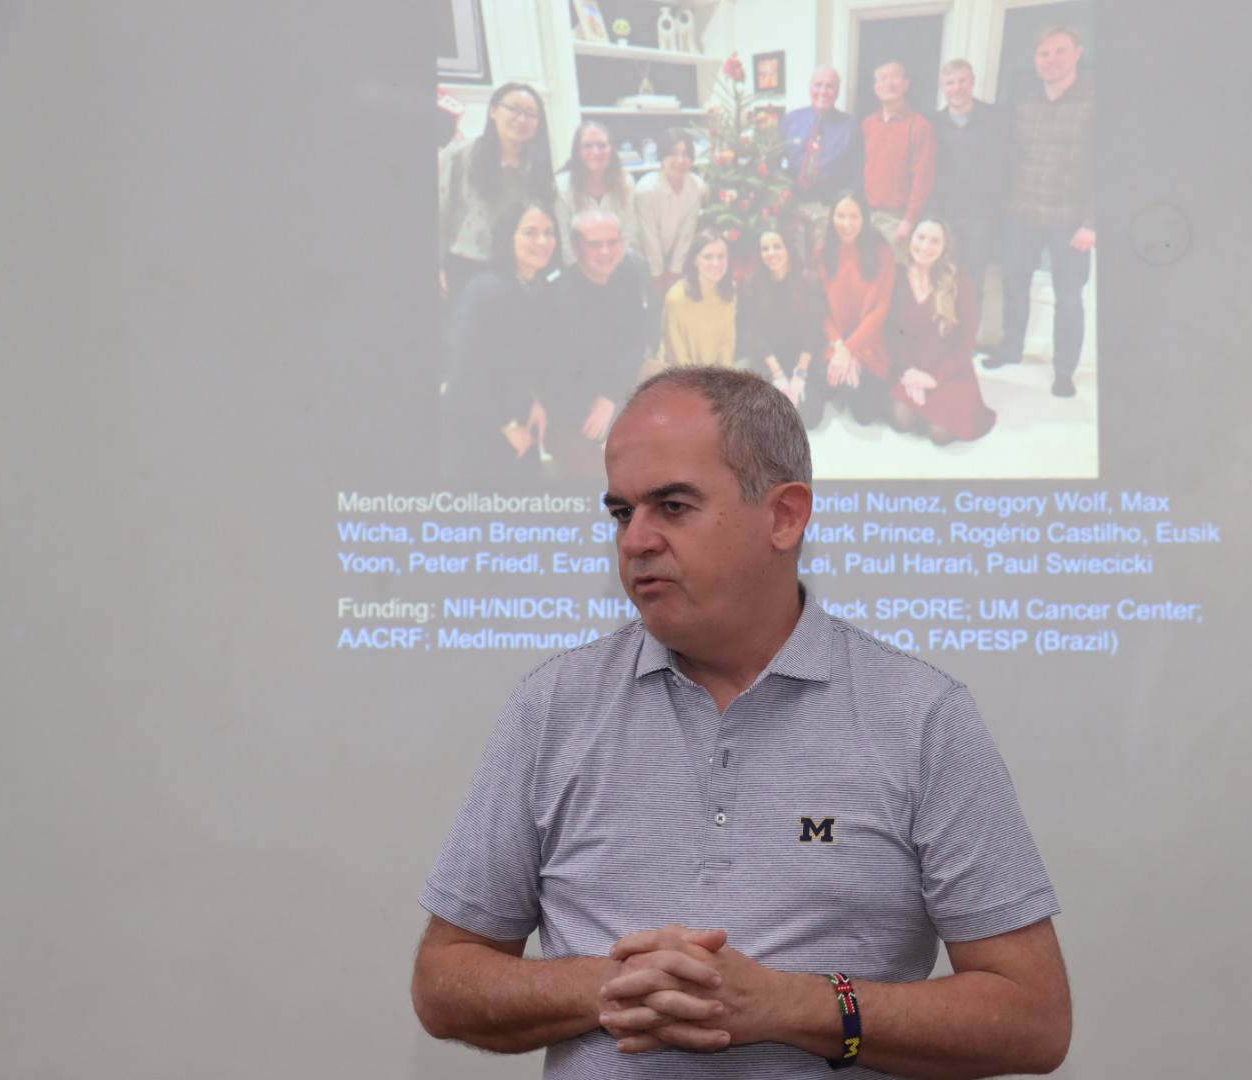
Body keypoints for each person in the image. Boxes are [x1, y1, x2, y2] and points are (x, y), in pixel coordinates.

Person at [412, 366, 1072, 1078]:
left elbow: (1033, 1017)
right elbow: (444, 979)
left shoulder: (920, 716)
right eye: (621, 513)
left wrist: (792, 1007)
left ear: (784, 516)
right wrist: (612, 986)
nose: (635, 541)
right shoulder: (553, 707)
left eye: (672, 506)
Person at [986, 26, 1095, 398]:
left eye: (1059, 51)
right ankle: (1010, 349)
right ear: (1035, 60)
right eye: (1044, 54)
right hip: (1022, 213)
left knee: (1069, 299)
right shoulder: (1026, 102)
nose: (1051, 60)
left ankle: (1064, 372)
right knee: (1013, 285)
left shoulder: (1096, 100)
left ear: (1077, 52)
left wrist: (1093, 223)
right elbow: (1010, 157)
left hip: (1070, 220)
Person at [439, 198, 558, 482]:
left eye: (549, 232)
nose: (542, 241)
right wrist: (506, 425)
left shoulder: (537, 288)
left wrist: (533, 401)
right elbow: (464, 369)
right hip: (477, 426)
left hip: (516, 419)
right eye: (530, 232)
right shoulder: (485, 290)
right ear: (508, 237)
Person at [549, 208, 656, 474]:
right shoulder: (558, 295)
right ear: (576, 247)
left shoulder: (630, 274)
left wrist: (610, 396)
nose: (605, 252)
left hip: (615, 389)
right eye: (594, 244)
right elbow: (559, 375)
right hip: (575, 404)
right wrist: (600, 425)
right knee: (595, 473)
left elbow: (635, 341)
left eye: (612, 242)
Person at [438, 82, 555, 300]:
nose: (522, 119)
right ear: (493, 111)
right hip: (466, 268)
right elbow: (438, 210)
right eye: (513, 109)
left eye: (531, 114)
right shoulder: (459, 155)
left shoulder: (538, 167)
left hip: (519, 270)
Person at [883, 217, 995, 443]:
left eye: (935, 241)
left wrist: (935, 379)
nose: (925, 246)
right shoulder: (895, 275)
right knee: (901, 420)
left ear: (945, 247)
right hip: (909, 366)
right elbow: (889, 332)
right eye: (921, 237)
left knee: (940, 435)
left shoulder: (960, 281)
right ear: (910, 239)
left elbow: (967, 342)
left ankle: (932, 411)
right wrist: (907, 371)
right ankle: (921, 409)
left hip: (949, 370)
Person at [927, 59, 1011, 332]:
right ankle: (940, 337)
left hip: (980, 216)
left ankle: (967, 341)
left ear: (972, 82)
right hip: (943, 215)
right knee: (941, 278)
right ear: (943, 88)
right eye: (950, 83)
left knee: (973, 280)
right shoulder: (933, 123)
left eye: (962, 81)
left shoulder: (995, 119)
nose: (956, 88)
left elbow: (1006, 167)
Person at [811, 191, 895, 425]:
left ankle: (850, 378)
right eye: (840, 216)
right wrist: (839, 347)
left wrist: (850, 350)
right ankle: (844, 377)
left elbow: (881, 309)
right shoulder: (822, 252)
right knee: (825, 382)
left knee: (865, 415)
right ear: (832, 217)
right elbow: (821, 308)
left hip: (868, 342)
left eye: (854, 217)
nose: (846, 224)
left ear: (864, 218)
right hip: (835, 342)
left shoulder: (882, 252)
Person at [736, 227, 827, 427]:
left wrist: (800, 374)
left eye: (777, 246)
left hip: (800, 359)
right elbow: (753, 333)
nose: (771, 253)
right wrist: (777, 375)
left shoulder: (809, 280)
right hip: (769, 358)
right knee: (761, 414)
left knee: (811, 416)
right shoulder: (752, 283)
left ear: (789, 249)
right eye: (765, 249)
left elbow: (814, 331)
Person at [779, 67, 864, 256]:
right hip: (792, 206)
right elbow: (776, 162)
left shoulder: (850, 126)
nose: (823, 91)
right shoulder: (790, 120)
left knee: (822, 261)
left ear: (837, 92)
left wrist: (844, 207)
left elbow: (857, 172)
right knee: (793, 258)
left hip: (827, 210)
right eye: (818, 85)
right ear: (810, 88)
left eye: (829, 86)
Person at [860, 61, 936, 257]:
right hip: (867, 216)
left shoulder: (919, 126)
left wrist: (909, 221)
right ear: (875, 87)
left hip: (898, 219)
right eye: (882, 78)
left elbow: (923, 178)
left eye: (894, 77)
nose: (888, 83)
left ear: (906, 84)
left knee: (901, 272)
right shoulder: (868, 124)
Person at [554, 121, 641, 268]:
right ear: (577, 151)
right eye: (587, 146)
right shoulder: (561, 186)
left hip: (617, 265)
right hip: (578, 269)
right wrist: (589, 274)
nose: (595, 152)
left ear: (611, 150)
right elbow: (565, 244)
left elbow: (628, 233)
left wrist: (610, 268)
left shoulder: (626, 183)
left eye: (602, 145)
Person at [635, 129, 707, 300]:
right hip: (644, 256)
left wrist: (675, 271)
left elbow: (686, 233)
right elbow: (649, 236)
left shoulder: (697, 186)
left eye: (686, 154)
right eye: (673, 153)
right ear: (662, 157)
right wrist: (657, 274)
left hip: (675, 254)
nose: (680, 161)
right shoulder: (646, 189)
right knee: (654, 301)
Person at [658, 231, 736, 369]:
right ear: (694, 261)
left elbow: (727, 345)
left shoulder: (730, 292)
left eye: (721, 256)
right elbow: (677, 355)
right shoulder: (675, 297)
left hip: (714, 376)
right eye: (707, 257)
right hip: (678, 375)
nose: (716, 263)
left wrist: (722, 378)